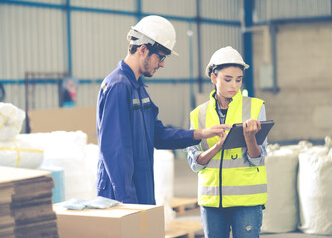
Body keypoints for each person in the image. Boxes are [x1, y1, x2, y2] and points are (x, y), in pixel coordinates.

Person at [96, 15, 229, 205]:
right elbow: (115, 151)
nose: (162, 64)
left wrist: (201, 133)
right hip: (121, 195)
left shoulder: (138, 88)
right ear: (143, 49)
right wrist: (128, 204)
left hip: (140, 189)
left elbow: (157, 135)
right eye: (161, 57)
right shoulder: (118, 86)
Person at [186, 46, 268, 238]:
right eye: (228, 79)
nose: (234, 85)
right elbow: (194, 163)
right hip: (212, 202)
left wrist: (250, 139)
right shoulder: (198, 114)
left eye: (238, 80)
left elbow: (258, 159)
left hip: (246, 202)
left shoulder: (256, 108)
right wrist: (216, 147)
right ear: (214, 78)